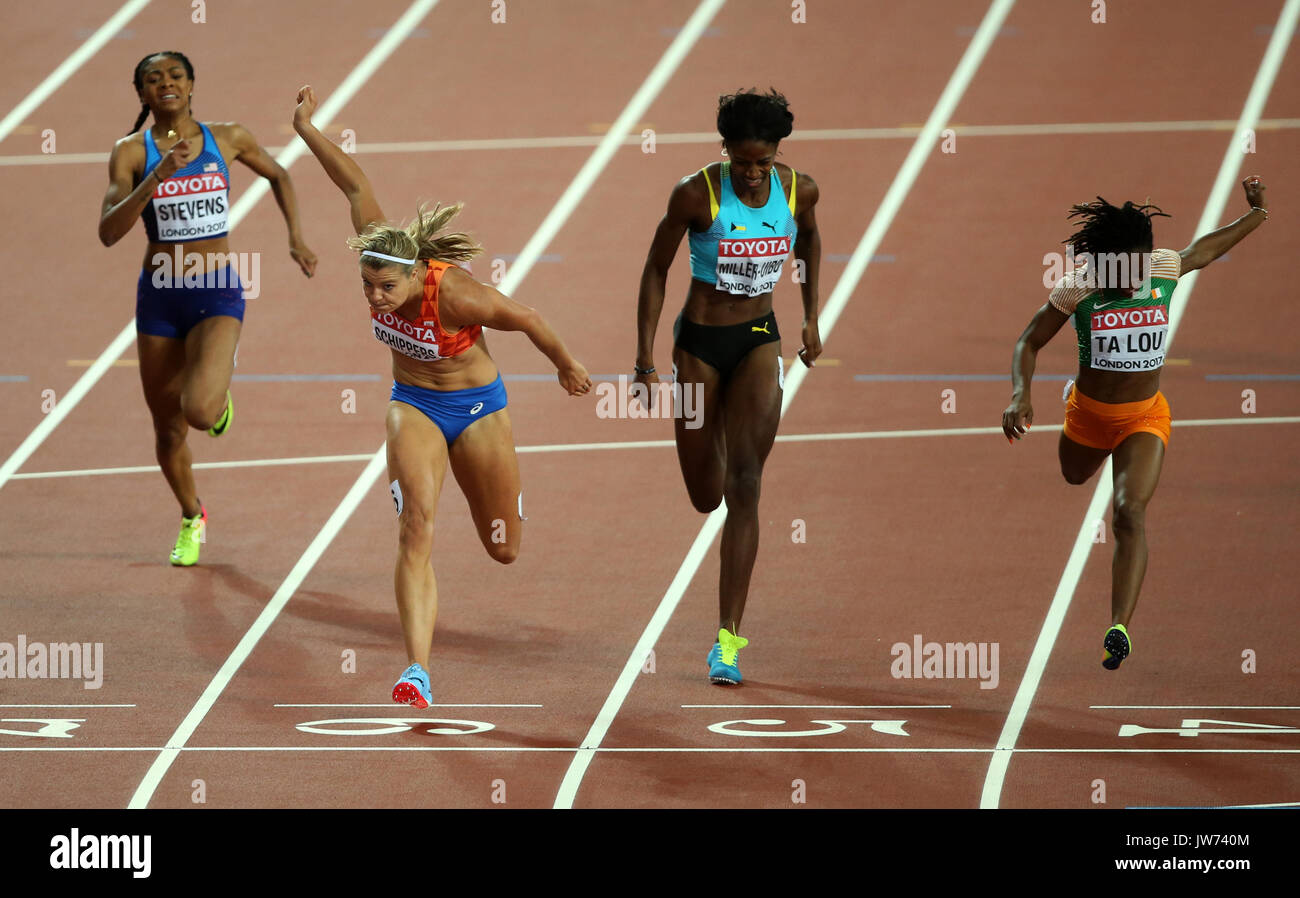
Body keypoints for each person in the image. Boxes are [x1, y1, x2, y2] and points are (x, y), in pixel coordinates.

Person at [292, 85, 592, 708]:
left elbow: (529, 317)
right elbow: (352, 185)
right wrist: (306, 130)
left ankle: (505, 499)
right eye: (367, 287)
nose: (375, 298)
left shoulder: (455, 294)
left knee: (504, 549)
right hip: (414, 406)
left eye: (386, 290)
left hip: (478, 408)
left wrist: (566, 366)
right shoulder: (380, 245)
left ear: (414, 275)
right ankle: (416, 672)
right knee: (416, 527)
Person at [1002, 177, 1269, 669]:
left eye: (1137, 267)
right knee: (1075, 475)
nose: (1131, 279)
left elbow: (1204, 251)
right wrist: (1021, 393)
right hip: (1087, 415)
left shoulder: (1162, 267)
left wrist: (1256, 214)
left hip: (1145, 415)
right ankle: (1073, 395)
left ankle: (1118, 626)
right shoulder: (1078, 288)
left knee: (1128, 511)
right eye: (1120, 269)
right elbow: (1028, 341)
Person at [98, 51, 317, 565]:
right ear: (143, 95)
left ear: (192, 84)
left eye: (175, 75)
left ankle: (216, 394)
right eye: (154, 79)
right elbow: (108, 232)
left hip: (215, 287)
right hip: (159, 294)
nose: (166, 84)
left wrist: (296, 239)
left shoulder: (229, 137)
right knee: (168, 429)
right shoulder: (130, 153)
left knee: (198, 411)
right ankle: (192, 516)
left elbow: (280, 175)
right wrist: (154, 179)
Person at [634, 88, 822, 685]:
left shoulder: (799, 190)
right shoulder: (696, 193)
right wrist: (644, 360)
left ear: (776, 155)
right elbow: (656, 267)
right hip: (699, 348)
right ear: (724, 151)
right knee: (704, 494)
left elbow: (809, 240)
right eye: (741, 161)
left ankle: (728, 642)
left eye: (761, 163)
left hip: (759, 339)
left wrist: (812, 313)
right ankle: (713, 428)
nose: (750, 173)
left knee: (746, 484)